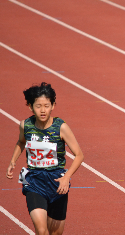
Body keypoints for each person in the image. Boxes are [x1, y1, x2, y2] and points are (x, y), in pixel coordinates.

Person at [6, 82, 84, 235]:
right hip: (34, 180)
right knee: (41, 230)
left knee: (55, 233)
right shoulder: (25, 125)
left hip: (57, 182)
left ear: (53, 105)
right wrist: (13, 160)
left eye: (46, 106)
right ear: (30, 107)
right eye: (38, 106)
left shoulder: (61, 127)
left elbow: (79, 155)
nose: (43, 110)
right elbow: (21, 142)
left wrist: (66, 178)